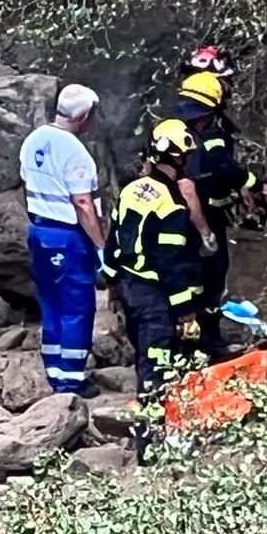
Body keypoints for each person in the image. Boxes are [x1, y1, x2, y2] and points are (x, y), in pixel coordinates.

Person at [101, 119, 205, 457]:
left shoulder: (132, 189)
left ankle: (151, 433)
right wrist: (187, 313)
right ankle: (149, 446)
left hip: (130, 288)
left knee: (144, 361)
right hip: (154, 297)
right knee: (156, 367)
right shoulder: (171, 206)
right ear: (179, 159)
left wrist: (112, 282)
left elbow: (113, 240)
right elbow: (170, 265)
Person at [176, 46, 267, 358]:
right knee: (209, 277)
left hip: (189, 213)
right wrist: (255, 184)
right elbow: (219, 167)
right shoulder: (209, 125)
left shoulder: (175, 121)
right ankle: (206, 344)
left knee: (193, 280)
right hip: (202, 214)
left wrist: (240, 191)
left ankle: (191, 344)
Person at [19, 84, 106, 397]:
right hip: (68, 236)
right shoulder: (74, 151)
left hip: (39, 232)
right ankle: (71, 379)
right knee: (76, 307)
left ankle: (53, 370)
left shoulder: (33, 140)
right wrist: (100, 247)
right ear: (83, 116)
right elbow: (82, 204)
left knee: (51, 303)